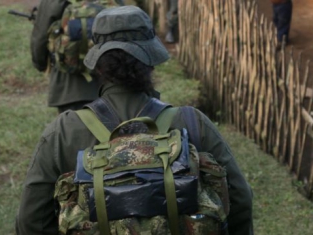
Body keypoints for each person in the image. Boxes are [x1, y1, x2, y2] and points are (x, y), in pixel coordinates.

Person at [16, 5, 254, 235]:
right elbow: (239, 198)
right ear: (151, 60)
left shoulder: (63, 132)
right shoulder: (192, 123)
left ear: (99, 64)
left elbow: (31, 219)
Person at [30, 0, 124, 113]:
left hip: (70, 89)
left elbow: (40, 39)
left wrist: (40, 63)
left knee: (73, 129)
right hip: (112, 85)